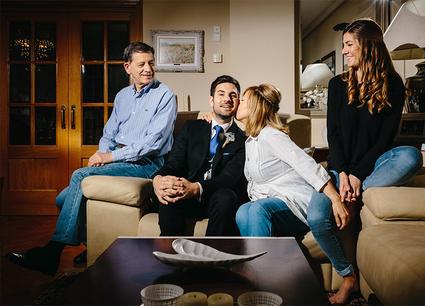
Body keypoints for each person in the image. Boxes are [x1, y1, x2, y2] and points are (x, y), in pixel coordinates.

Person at [6, 42, 177, 275]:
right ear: (127, 67)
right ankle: (91, 245)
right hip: (118, 160)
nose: (148, 68)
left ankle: (51, 253)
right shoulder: (122, 96)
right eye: (141, 64)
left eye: (151, 63)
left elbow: (152, 144)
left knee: (79, 176)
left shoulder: (165, 95)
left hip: (147, 164)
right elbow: (109, 133)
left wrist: (110, 156)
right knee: (62, 199)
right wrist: (100, 154)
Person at [308, 19, 423, 304]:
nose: (344, 51)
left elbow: (384, 141)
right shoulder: (337, 85)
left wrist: (358, 177)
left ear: (368, 46)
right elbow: (333, 137)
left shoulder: (393, 85)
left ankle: (355, 196)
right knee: (317, 218)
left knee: (411, 156)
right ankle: (349, 277)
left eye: (349, 45)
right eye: (343, 45)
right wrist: (344, 174)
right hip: (340, 170)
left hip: (373, 167)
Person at [234, 83, 351, 278]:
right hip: (277, 203)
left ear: (254, 105)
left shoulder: (270, 135)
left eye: (243, 99)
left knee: (256, 209)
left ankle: (265, 278)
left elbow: (307, 165)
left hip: (297, 204)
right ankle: (258, 269)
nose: (237, 102)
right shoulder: (252, 140)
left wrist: (335, 199)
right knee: (242, 211)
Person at [153, 75, 247, 236]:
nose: (227, 99)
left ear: (238, 102)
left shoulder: (243, 140)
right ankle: (171, 252)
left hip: (216, 198)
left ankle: (212, 254)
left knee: (226, 196)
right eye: (221, 94)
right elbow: (173, 163)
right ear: (211, 100)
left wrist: (196, 188)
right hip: (185, 196)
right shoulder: (192, 128)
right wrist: (158, 179)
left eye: (233, 95)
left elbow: (229, 178)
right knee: (170, 188)